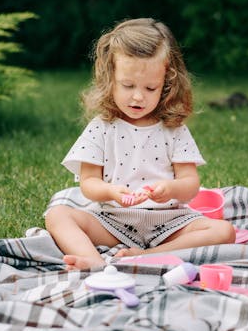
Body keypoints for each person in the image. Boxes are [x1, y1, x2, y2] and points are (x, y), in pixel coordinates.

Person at [45, 18, 236, 270]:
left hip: (170, 222)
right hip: (113, 221)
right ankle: (93, 260)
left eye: (150, 87)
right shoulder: (102, 127)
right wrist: (111, 192)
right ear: (110, 78)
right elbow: (89, 183)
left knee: (224, 231)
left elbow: (191, 184)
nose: (138, 96)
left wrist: (171, 189)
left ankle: (151, 254)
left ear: (166, 84)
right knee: (57, 215)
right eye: (128, 85)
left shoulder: (173, 129)